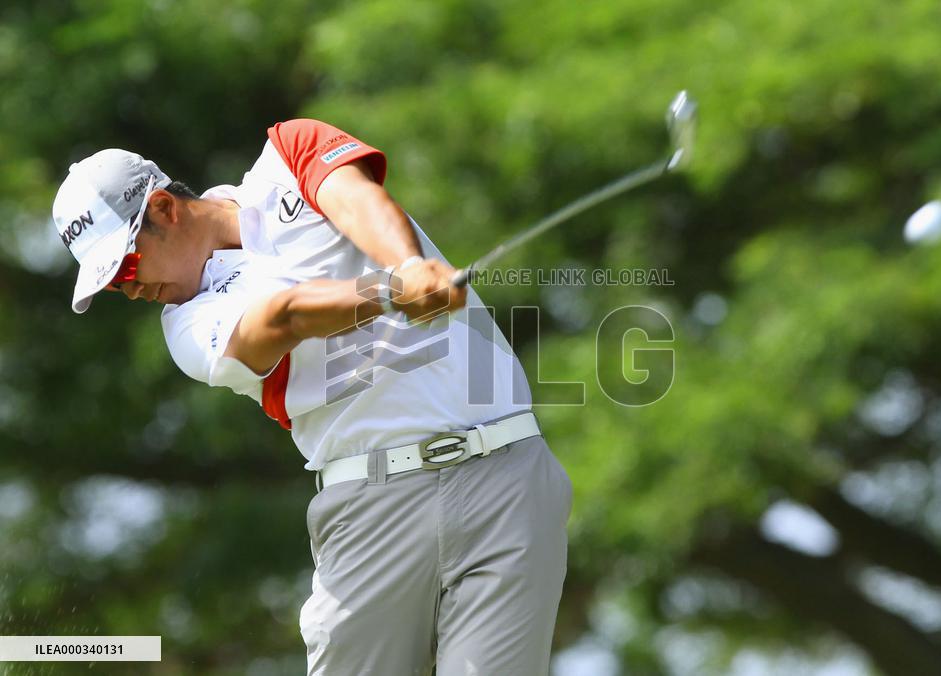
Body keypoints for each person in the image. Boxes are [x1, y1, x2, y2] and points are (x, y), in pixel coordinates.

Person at [51, 119, 573, 675]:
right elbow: (284, 317)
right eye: (113, 285)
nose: (131, 290)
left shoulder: (287, 154)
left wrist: (408, 264)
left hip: (506, 475)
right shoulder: (186, 326)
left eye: (126, 266)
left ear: (164, 208)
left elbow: (355, 201)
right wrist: (390, 291)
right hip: (371, 511)